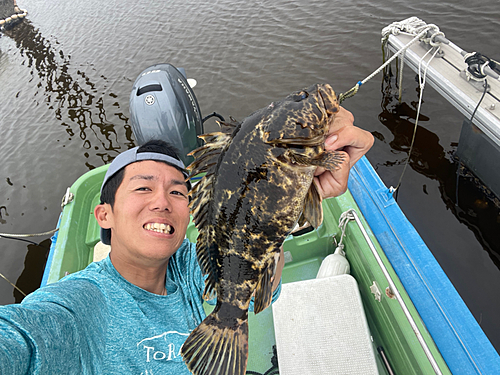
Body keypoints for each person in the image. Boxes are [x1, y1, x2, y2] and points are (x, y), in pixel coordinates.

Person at [0, 106, 373, 374]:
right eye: (143, 187)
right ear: (104, 215)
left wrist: (288, 199)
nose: (162, 202)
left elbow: (261, 281)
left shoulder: (191, 266)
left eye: (178, 192)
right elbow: (18, 340)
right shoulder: (74, 307)